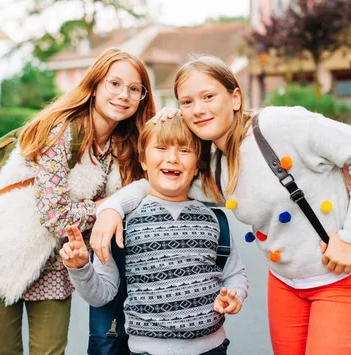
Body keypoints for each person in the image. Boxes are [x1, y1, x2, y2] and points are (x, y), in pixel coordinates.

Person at [90, 55, 351, 355]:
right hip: (286, 283)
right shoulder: (216, 166)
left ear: (235, 98)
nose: (199, 109)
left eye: (208, 96)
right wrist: (112, 208)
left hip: (339, 277)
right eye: (188, 102)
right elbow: (157, 184)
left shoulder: (279, 125)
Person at [0, 48, 156, 355]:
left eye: (135, 89)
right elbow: (55, 215)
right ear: (94, 86)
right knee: (0, 352)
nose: (124, 95)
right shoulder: (61, 132)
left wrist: (174, 118)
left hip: (56, 265)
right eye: (115, 84)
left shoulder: (125, 144)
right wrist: (108, 207)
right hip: (4, 251)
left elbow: (157, 174)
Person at [60, 117, 248, 355]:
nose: (172, 158)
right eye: (161, 148)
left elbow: (235, 273)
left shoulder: (214, 220)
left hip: (213, 348)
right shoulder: (123, 221)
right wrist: (80, 268)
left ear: (198, 163)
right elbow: (102, 295)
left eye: (184, 150)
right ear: (143, 160)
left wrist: (234, 295)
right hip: (147, 351)